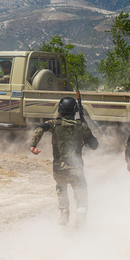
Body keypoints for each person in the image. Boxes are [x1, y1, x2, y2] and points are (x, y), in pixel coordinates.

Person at [29, 97, 98, 228]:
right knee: (81, 189)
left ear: (60, 110)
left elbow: (40, 127)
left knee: (61, 187)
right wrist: (86, 126)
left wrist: (33, 144)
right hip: (75, 169)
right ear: (75, 111)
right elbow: (95, 145)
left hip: (58, 169)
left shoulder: (54, 124)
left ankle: (64, 211)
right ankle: (81, 216)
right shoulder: (81, 126)